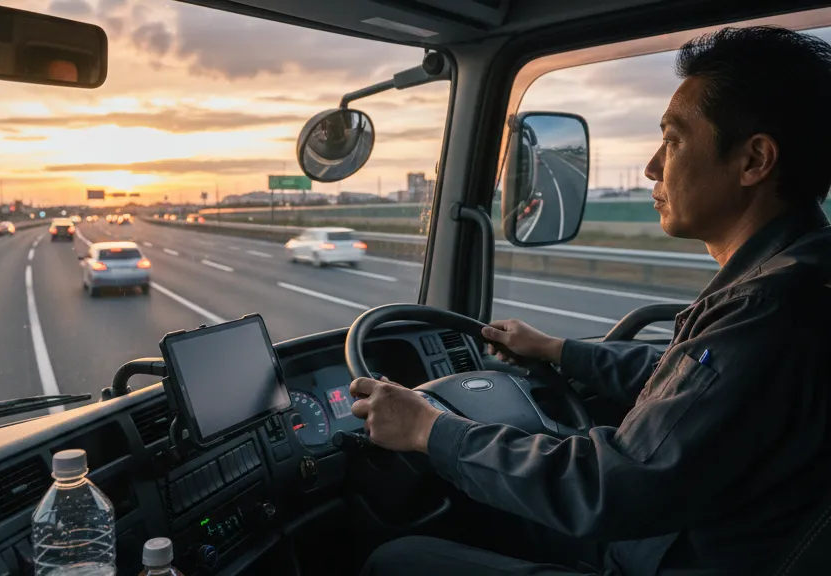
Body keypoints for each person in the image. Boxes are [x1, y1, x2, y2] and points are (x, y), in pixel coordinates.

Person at [353, 26, 831, 576]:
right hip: (682, 538)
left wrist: (428, 429)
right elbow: (687, 377)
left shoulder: (768, 308)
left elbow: (614, 485)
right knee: (475, 512)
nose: (653, 166)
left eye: (673, 140)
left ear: (754, 161)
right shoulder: (797, 278)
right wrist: (559, 350)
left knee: (399, 560)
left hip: (670, 552)